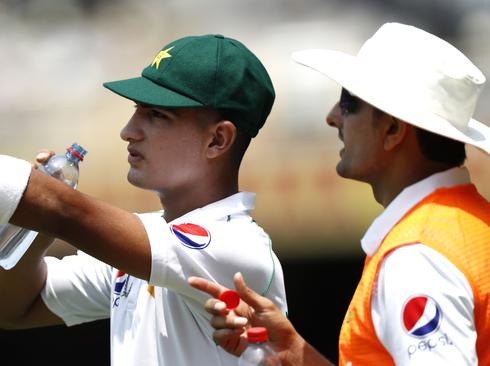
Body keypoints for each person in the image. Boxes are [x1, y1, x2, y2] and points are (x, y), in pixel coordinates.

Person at [0, 34, 288, 365]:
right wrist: (39, 215)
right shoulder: (153, 241)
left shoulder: (234, 249)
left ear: (217, 140)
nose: (129, 130)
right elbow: (8, 307)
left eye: (156, 115)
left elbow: (63, 211)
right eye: (136, 111)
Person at [189, 22, 490, 366]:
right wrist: (292, 354)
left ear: (392, 129)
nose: (333, 117)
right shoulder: (473, 223)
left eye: (349, 103)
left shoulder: (416, 258)